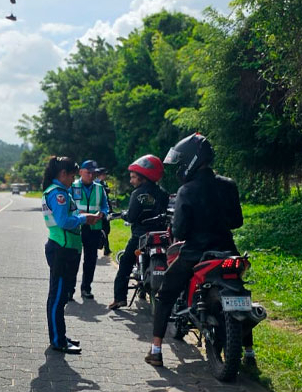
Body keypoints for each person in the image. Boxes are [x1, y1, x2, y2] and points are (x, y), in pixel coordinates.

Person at [145, 133, 255, 367]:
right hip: (228, 251)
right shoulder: (229, 184)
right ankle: (249, 353)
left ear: (192, 161)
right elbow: (236, 221)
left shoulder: (187, 190)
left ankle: (155, 350)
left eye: (182, 162)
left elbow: (181, 232)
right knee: (241, 293)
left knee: (164, 295)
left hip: (196, 253)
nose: (181, 168)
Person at [42, 157, 102, 354]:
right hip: (62, 249)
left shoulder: (59, 192)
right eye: (72, 176)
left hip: (65, 249)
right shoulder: (58, 194)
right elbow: (64, 221)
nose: (73, 180)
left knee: (60, 296)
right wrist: (84, 218)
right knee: (58, 297)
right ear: (63, 174)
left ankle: (60, 335)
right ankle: (58, 341)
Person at [108, 155, 169, 310]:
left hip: (141, 236)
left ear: (143, 177)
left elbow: (132, 216)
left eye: (133, 177)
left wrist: (123, 215)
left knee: (126, 263)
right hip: (162, 235)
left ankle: (119, 298)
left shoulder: (138, 194)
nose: (131, 181)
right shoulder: (163, 193)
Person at [71, 160, 109, 300]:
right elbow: (68, 207)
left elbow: (105, 206)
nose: (91, 175)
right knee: (73, 259)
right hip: (77, 227)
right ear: (81, 171)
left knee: (90, 260)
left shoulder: (99, 188)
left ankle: (86, 288)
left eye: (94, 173)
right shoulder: (72, 186)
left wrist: (102, 213)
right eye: (88, 172)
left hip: (94, 228)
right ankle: (70, 290)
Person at [94, 168, 114, 255]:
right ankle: (103, 247)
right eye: (103, 174)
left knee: (106, 230)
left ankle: (105, 248)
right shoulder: (97, 184)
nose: (105, 176)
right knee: (103, 230)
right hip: (99, 211)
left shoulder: (103, 183)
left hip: (106, 210)